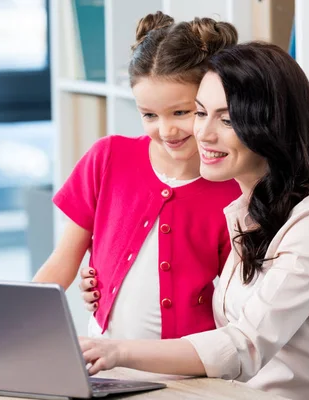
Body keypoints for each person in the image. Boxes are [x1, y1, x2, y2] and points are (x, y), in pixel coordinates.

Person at [78, 42, 309, 400]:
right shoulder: (248, 209)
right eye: (201, 113)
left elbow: (244, 345)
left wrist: (118, 351)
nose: (203, 133)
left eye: (228, 119)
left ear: (270, 127)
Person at [33, 12, 241, 341]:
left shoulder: (234, 189)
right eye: (149, 115)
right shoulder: (107, 158)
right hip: (104, 360)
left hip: (189, 365)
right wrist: (17, 323)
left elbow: (236, 297)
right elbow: (63, 260)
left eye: (181, 112)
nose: (166, 129)